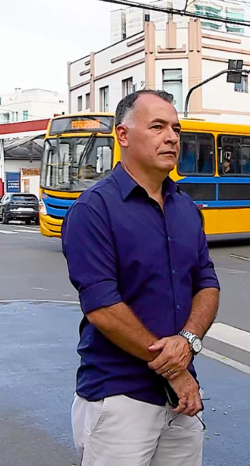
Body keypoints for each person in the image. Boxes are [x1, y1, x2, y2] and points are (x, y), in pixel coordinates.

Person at [64, 89, 221, 466]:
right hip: (119, 397)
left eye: (176, 129)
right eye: (157, 127)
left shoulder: (186, 208)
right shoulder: (93, 210)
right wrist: (174, 368)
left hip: (182, 399)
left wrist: (188, 340)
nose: (171, 137)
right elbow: (102, 306)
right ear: (123, 136)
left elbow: (207, 284)